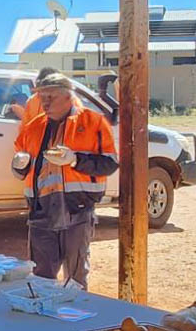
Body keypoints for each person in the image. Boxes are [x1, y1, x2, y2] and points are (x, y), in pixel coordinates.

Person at [12, 73, 118, 286]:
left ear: (69, 97)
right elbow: (21, 169)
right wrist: (18, 166)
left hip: (77, 210)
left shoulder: (93, 122)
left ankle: (76, 317)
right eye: (42, 97)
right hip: (41, 213)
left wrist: (75, 160)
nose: (45, 102)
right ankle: (44, 319)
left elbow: (109, 163)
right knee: (41, 280)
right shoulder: (33, 127)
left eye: (51, 96)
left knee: (75, 281)